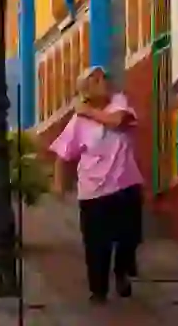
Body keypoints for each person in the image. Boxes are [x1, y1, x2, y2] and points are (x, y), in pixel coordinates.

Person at [49, 65, 144, 304]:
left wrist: (86, 111)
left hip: (126, 185)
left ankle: (122, 271)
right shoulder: (77, 123)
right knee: (96, 244)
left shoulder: (119, 103)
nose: (104, 81)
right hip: (93, 191)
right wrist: (58, 184)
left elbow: (116, 121)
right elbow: (63, 155)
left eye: (104, 77)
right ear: (87, 90)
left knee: (129, 237)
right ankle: (98, 290)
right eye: (96, 80)